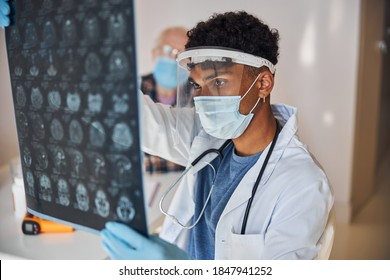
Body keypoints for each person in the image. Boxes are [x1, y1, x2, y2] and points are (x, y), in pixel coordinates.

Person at [101, 11, 334, 260]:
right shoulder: (205, 136)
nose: (204, 98)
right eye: (198, 85)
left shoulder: (302, 184)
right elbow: (137, 119)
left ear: (263, 83)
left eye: (219, 82)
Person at [141, 26, 187, 174]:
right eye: (169, 51)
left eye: (182, 54)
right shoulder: (133, 92)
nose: (175, 59)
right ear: (155, 53)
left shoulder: (202, 95)